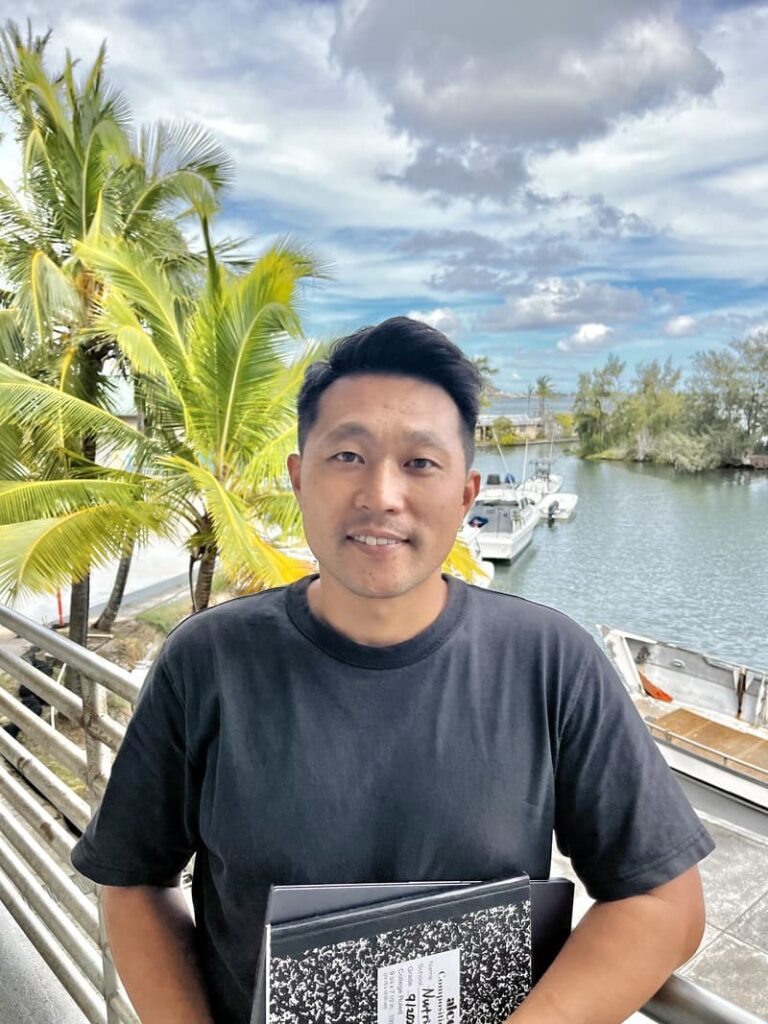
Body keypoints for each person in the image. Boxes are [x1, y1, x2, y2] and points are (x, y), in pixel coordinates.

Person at [72, 316, 713, 1024]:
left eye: (420, 463)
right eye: (347, 455)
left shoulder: (550, 662)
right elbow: (131, 880)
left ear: (466, 495)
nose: (381, 493)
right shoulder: (208, 662)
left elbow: (666, 904)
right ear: (298, 477)